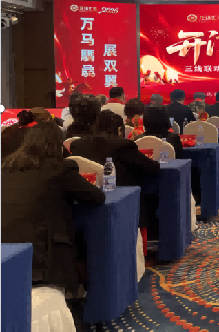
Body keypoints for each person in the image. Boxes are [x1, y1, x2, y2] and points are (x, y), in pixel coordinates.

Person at [1, 121, 106, 296]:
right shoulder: (60, 169)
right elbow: (97, 198)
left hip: (5, 252)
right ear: (58, 145)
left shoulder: (5, 167)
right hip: (42, 259)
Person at [70, 110, 160, 250]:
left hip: (84, 201)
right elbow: (151, 168)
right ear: (119, 129)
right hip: (121, 201)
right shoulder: (123, 145)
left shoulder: (78, 145)